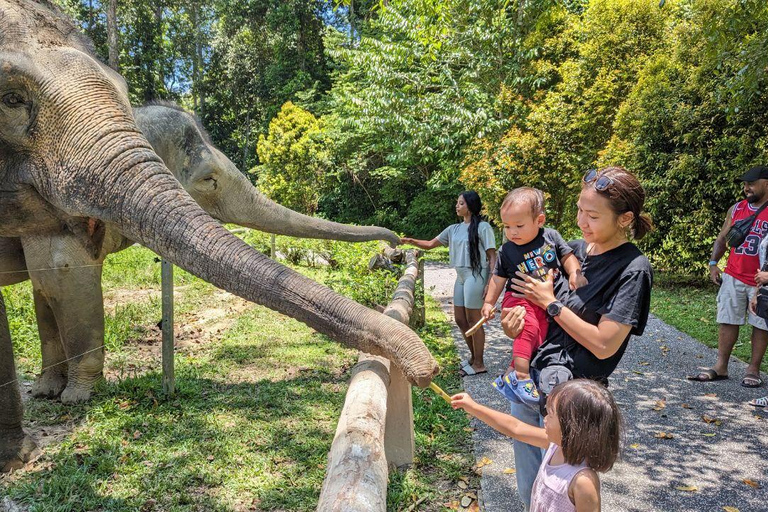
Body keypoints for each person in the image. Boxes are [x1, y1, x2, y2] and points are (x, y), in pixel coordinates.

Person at [499, 166, 653, 507]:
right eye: (580, 210)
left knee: (562, 491)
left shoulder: (633, 268)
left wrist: (550, 303)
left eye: (593, 216)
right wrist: (514, 326)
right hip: (532, 380)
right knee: (531, 486)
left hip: (572, 401)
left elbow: (604, 344)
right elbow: (535, 313)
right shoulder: (571, 252)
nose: (582, 222)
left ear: (625, 218)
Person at [481, 187, 586, 405]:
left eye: (519, 226)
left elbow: (567, 256)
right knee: (527, 327)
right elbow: (498, 278)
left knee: (538, 336)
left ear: (539, 220)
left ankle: (509, 375)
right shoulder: (506, 250)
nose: (512, 232)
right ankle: (521, 376)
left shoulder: (551, 237)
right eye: (507, 226)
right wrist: (489, 302)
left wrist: (575, 274)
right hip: (519, 297)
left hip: (543, 302)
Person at [451, 379, 621, 512]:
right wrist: (473, 407)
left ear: (573, 428)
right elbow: (515, 428)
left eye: (551, 414)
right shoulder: (556, 446)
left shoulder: (583, 481)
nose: (544, 419)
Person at [401, 191, 497, 376]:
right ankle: (473, 357)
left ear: (470, 206)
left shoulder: (483, 227)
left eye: (461, 203)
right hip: (460, 276)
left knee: (474, 320)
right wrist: (410, 241)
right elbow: (430, 244)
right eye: (457, 203)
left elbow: (492, 256)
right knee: (460, 320)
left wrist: (490, 282)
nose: (457, 206)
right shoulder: (453, 229)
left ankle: (479, 363)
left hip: (476, 275)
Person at [689, 165, 768, 388]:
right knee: (727, 320)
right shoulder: (736, 209)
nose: (746, 188)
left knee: (761, 324)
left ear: (766, 184)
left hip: (761, 280)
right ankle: (721, 366)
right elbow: (722, 238)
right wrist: (714, 263)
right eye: (745, 184)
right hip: (734, 275)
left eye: (751, 184)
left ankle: (753, 369)